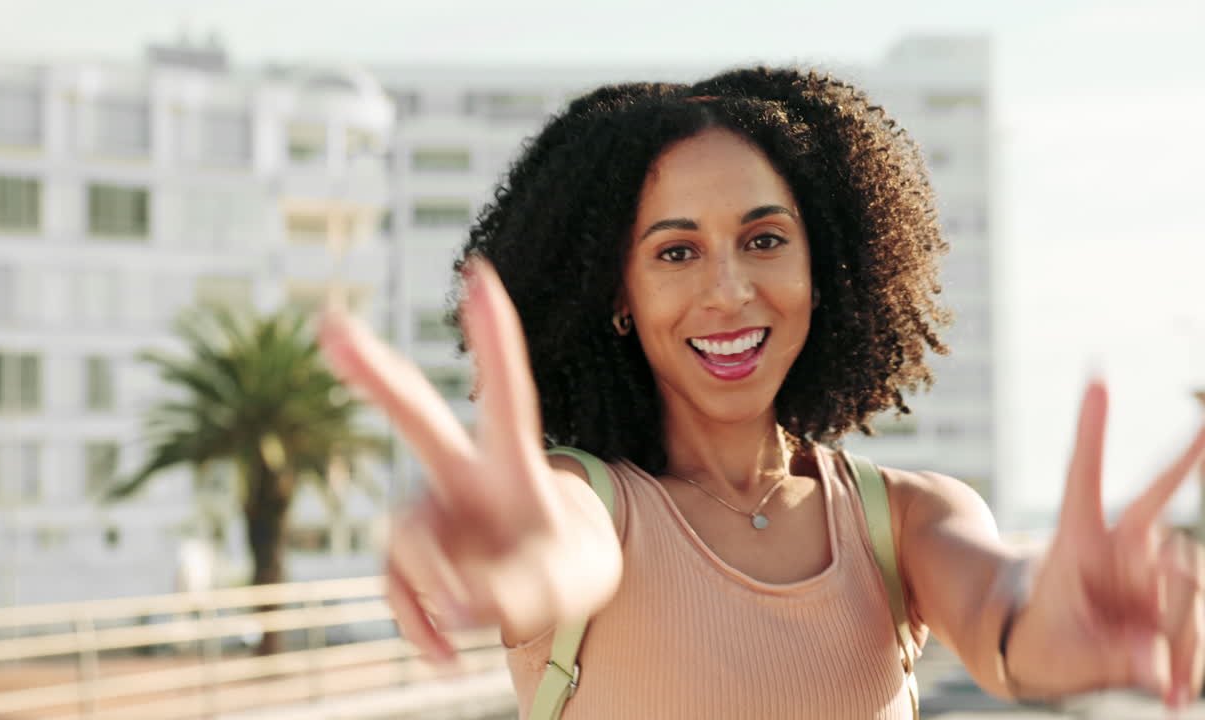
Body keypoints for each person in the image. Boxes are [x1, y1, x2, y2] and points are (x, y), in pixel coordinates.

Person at [319, 67, 1205, 717]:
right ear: (618, 297)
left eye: (766, 239)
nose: (731, 290)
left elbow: (1013, 624)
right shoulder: (586, 506)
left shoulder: (910, 519)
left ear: (826, 269)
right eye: (676, 252)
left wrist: (1069, 626)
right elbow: (560, 554)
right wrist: (512, 561)